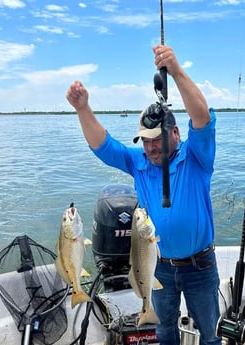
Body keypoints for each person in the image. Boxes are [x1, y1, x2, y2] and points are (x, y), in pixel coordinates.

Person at [66, 45, 221, 345]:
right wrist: (83, 109)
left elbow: (201, 118)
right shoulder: (139, 163)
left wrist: (175, 71)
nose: (150, 148)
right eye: (145, 142)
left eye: (156, 140)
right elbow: (105, 147)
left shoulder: (196, 157)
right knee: (163, 332)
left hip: (200, 266)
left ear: (175, 133)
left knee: (211, 336)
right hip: (157, 264)